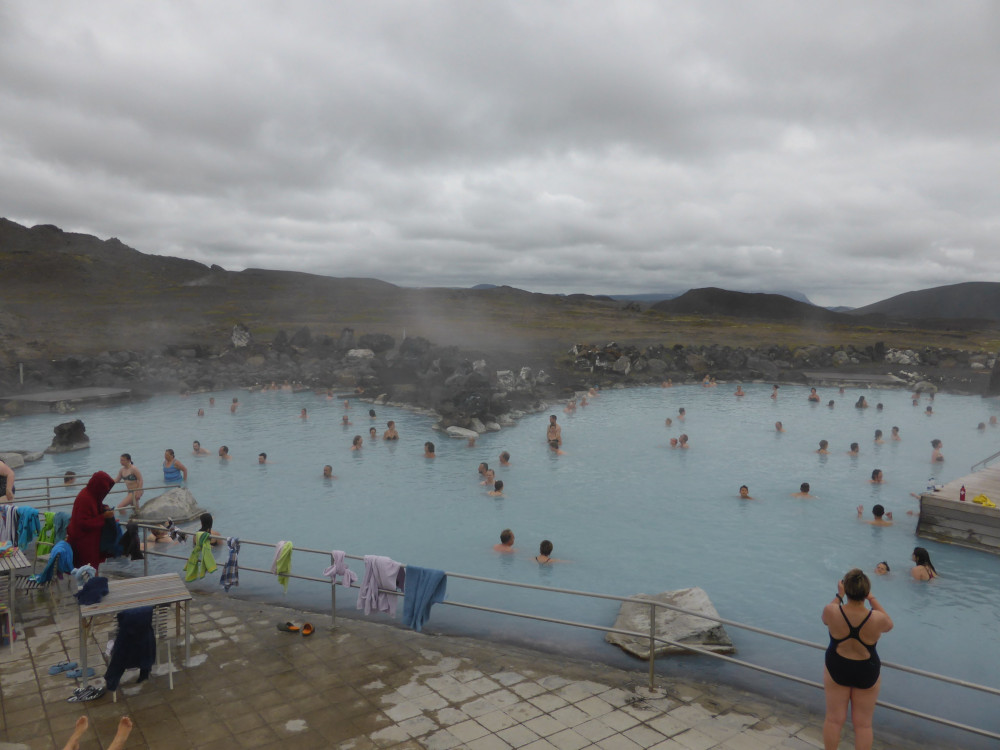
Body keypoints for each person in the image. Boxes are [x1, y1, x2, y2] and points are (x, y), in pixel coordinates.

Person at [822, 568, 893, 750]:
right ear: (865, 591)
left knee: (833, 719)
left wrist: (839, 595)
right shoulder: (876, 618)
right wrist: (872, 598)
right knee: (863, 725)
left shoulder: (832, 611)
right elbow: (889, 624)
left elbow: (824, 619)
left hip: (837, 666)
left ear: (846, 588)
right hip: (866, 670)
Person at [66, 471, 116, 571]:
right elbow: (82, 523)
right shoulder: (85, 498)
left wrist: (103, 508)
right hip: (83, 543)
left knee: (91, 570)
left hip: (90, 542)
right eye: (104, 490)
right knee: (87, 571)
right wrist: (104, 517)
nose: (105, 493)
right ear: (98, 487)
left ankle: (92, 585)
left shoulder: (92, 495)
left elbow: (95, 506)